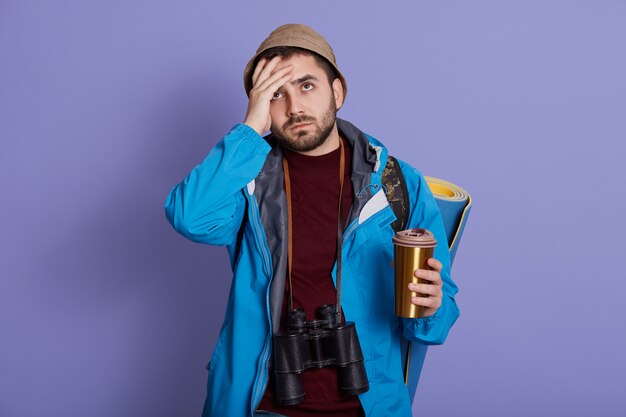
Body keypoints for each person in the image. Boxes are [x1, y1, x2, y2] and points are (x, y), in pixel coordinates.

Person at [164, 23, 460, 417]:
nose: (294, 107)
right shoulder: (247, 179)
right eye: (275, 95)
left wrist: (432, 306)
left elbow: (433, 327)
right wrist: (251, 129)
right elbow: (189, 216)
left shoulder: (397, 183)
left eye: (306, 86)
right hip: (262, 405)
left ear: (336, 91)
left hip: (369, 406)